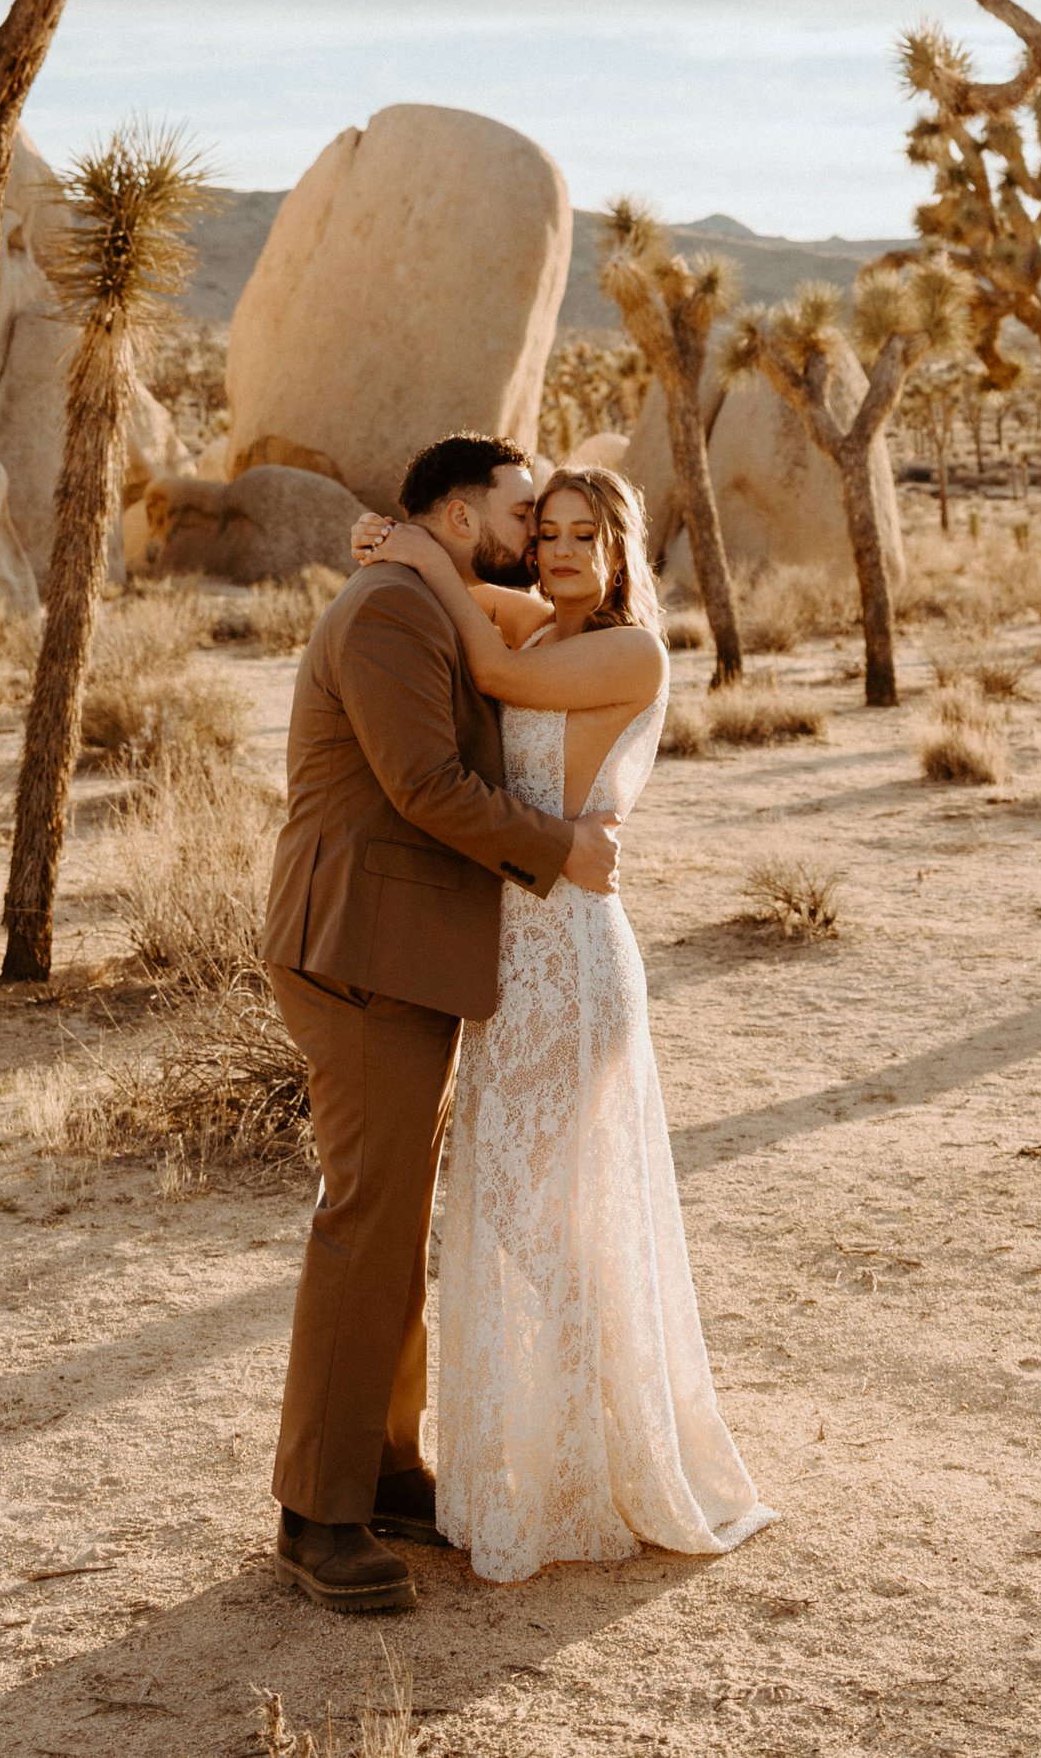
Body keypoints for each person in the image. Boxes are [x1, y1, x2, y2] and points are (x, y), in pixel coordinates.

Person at [358, 462, 776, 1586]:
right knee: (515, 1210)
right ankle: (545, 1457)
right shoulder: (548, 624)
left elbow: (484, 658)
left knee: (557, 1214)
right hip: (512, 952)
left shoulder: (627, 649)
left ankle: (597, 1459)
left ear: (622, 544)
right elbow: (492, 615)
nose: (557, 550)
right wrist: (414, 549)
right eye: (543, 530)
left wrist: (414, 558)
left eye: (584, 533)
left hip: (573, 959)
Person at [261, 433, 624, 1616]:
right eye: (521, 512)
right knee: (364, 1220)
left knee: (391, 1216)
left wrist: (413, 543)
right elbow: (420, 782)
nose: (533, 535)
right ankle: (318, 1513)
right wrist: (559, 848)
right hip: (361, 947)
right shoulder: (386, 613)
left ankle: (385, 1466)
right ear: (466, 515)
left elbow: (524, 606)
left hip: (394, 946)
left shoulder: (425, 592)